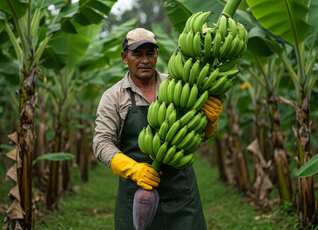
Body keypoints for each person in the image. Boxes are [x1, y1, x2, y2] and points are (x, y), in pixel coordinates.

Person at [93, 28, 223, 230]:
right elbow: (101, 143)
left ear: (157, 55)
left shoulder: (178, 86)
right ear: (124, 57)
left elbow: (194, 135)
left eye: (150, 53)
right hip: (137, 191)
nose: (145, 60)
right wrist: (133, 169)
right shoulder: (114, 96)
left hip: (180, 191)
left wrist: (209, 124)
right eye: (137, 53)